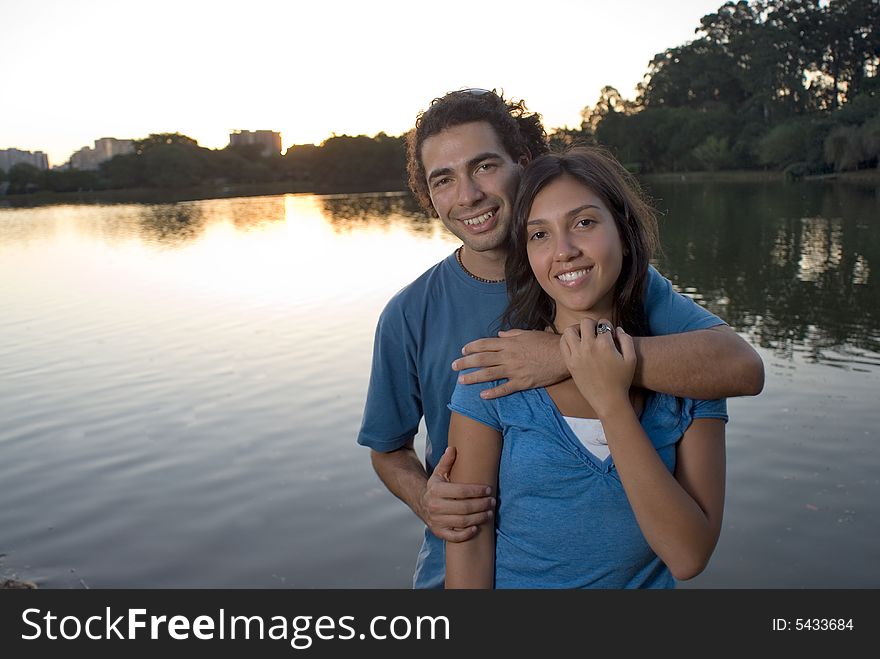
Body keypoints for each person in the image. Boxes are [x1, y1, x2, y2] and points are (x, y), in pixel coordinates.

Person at [357, 89, 763, 589]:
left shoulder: (616, 279)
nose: (467, 196)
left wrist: (563, 356)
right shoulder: (408, 314)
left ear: (523, 163)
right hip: (464, 569)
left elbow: (739, 367)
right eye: (444, 179)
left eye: (484, 166)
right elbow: (387, 448)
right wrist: (427, 500)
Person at [446, 147, 727, 588]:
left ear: (623, 230)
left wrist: (611, 399)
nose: (565, 251)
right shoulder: (489, 375)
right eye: (539, 235)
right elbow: (469, 558)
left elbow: (688, 556)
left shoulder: (689, 374)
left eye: (584, 223)